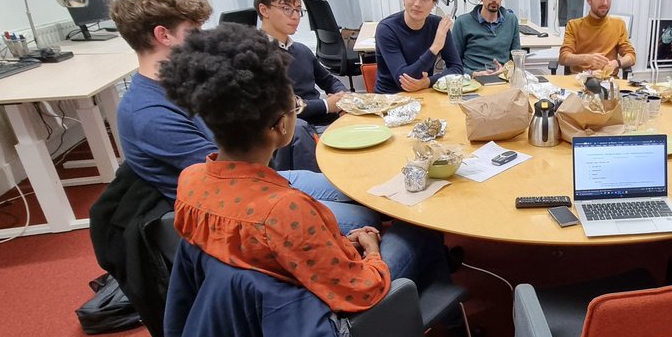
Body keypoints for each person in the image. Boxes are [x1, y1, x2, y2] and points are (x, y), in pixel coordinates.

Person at [159, 23, 452, 310]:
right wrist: (372, 250)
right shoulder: (287, 212)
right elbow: (363, 290)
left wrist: (336, 243)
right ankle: (445, 312)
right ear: (280, 125)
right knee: (418, 225)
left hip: (259, 303)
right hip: (330, 319)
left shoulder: (190, 180)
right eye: (295, 104)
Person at [109, 0, 371, 232]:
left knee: (359, 190)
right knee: (364, 215)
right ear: (163, 35)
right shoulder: (149, 114)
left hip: (253, 181)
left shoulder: (186, 85)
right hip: (233, 205)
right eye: (193, 32)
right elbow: (231, 177)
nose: (202, 39)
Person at [254, 0, 346, 128]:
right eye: (286, 8)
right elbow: (283, 107)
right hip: (296, 131)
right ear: (264, 10)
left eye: (298, 10)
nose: (295, 16)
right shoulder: (256, 56)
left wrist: (343, 97)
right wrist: (327, 105)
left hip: (324, 122)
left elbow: (329, 81)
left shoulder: (301, 50)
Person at [374, 0, 463, 94]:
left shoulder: (439, 26)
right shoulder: (386, 29)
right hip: (390, 98)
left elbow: (457, 69)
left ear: (433, 4)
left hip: (423, 95)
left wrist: (428, 82)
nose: (417, 4)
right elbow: (404, 81)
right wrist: (435, 47)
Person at [557, 0, 636, 73]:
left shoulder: (619, 24)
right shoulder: (574, 25)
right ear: (589, 0)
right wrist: (587, 58)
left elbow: (631, 56)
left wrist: (617, 63)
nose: (605, 3)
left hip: (608, 81)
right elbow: (563, 58)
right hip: (579, 81)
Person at [450, 0, 522, 76]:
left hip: (502, 79)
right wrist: (474, 74)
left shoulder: (511, 20)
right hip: (473, 80)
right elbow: (451, 64)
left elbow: (517, 60)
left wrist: (506, 70)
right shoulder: (462, 23)